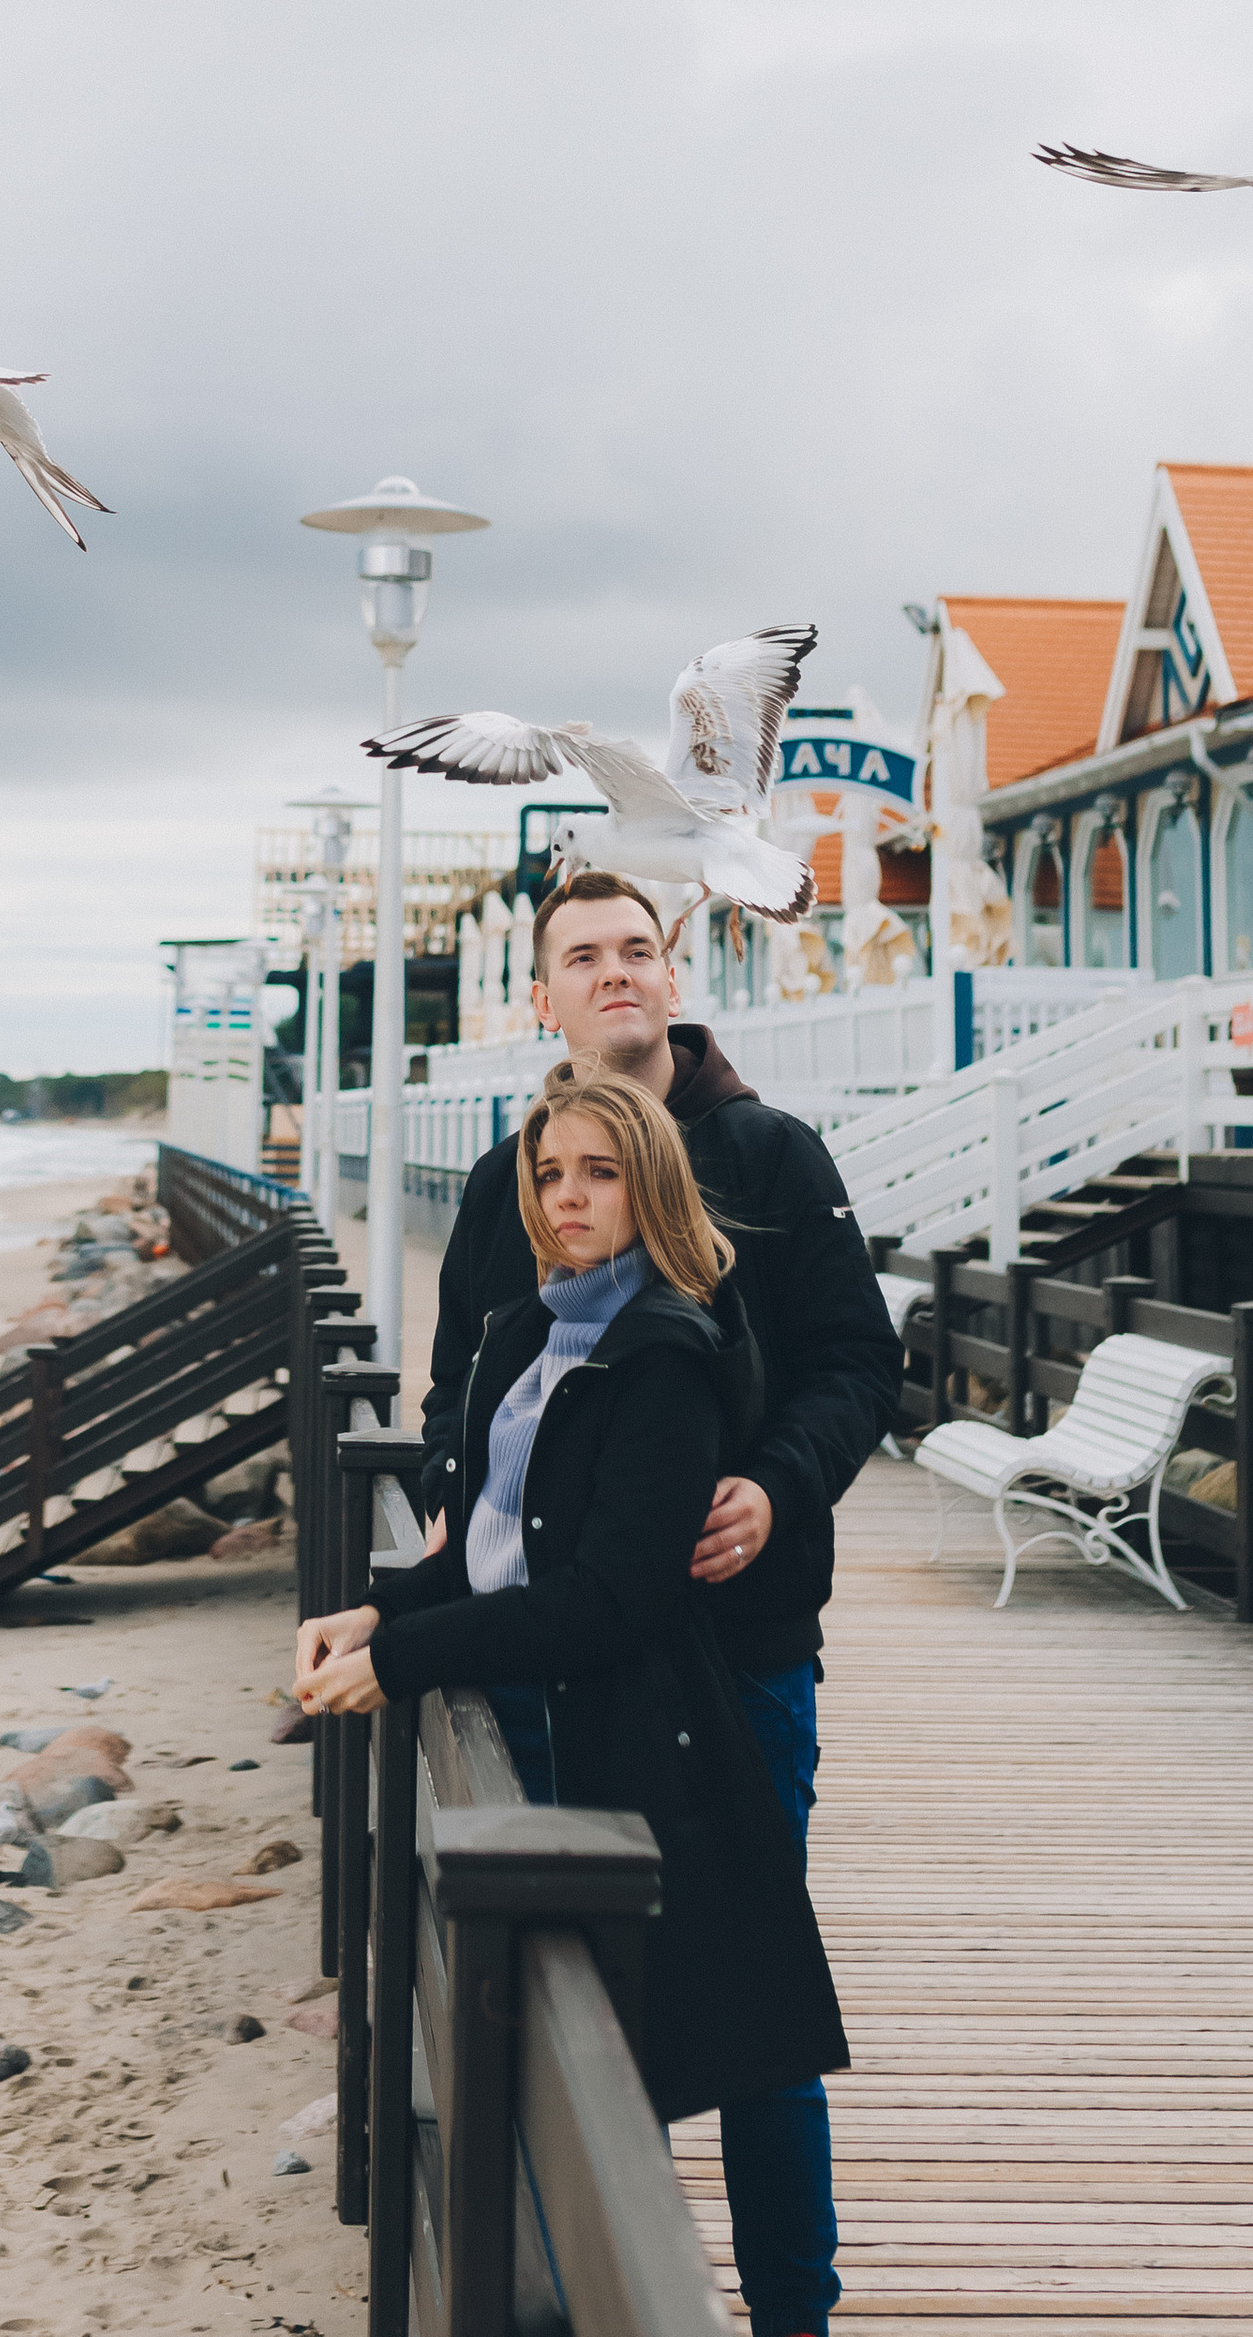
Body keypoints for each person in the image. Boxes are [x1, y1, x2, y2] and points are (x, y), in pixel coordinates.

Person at [416, 868, 900, 2337]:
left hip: (737, 1650)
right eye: (585, 956)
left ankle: (789, 2320)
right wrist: (455, 1491)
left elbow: (856, 1364)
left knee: (750, 2010)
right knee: (557, 1992)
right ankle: (592, 2283)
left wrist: (776, 1485)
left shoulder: (767, 1151)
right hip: (564, 1662)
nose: (617, 972)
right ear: (545, 997)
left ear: (673, 979)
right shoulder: (529, 1175)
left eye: (640, 949)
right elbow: (460, 1381)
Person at [290, 1067, 848, 2143]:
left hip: (613, 1740)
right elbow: (505, 1537)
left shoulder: (666, 1355)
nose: (566, 1197)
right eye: (549, 1175)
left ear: (651, 1187)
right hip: (531, 1718)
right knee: (538, 2048)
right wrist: (378, 1612)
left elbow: (609, 1598)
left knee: (623, 2060)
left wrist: (404, 1663)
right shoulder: (526, 1334)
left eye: (599, 1173)